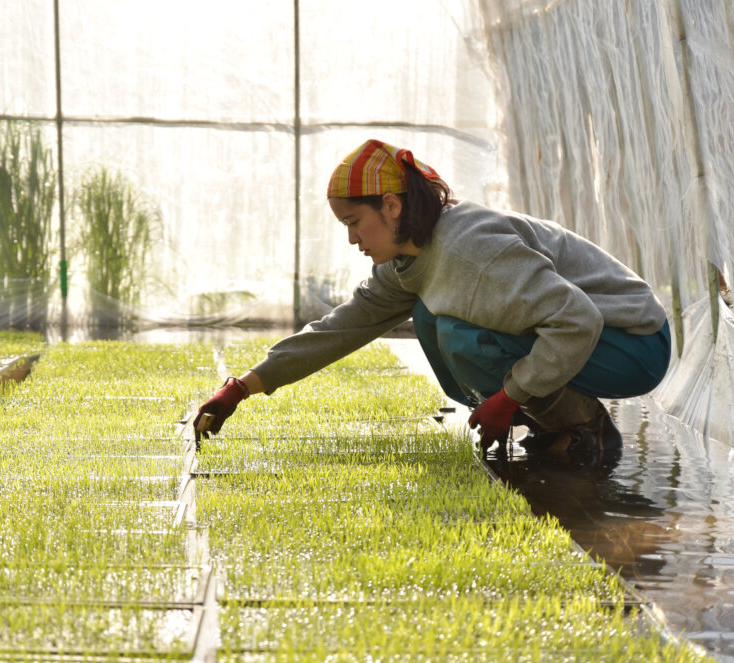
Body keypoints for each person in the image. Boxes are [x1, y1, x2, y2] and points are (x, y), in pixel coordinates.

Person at [193, 139, 671, 457]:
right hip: (594, 334)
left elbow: (577, 320)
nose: (351, 239)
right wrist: (244, 387)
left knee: (456, 333)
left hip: (633, 340)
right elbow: (341, 329)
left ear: (392, 206)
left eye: (354, 223)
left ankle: (584, 429)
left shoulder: (470, 251)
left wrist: (510, 397)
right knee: (430, 316)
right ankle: (554, 425)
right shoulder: (406, 262)